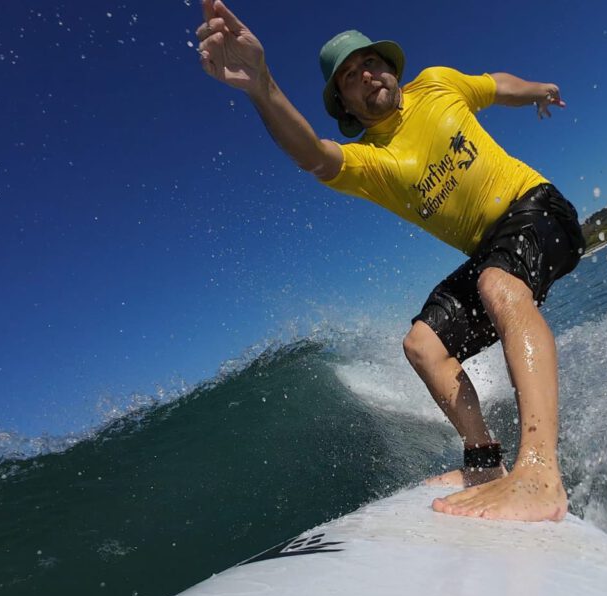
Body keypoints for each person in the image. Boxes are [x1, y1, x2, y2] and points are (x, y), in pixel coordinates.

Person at [196, 1, 585, 522]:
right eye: (351, 77)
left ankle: (539, 470)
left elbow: (495, 84)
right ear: (346, 105)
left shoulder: (437, 85)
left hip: (538, 207)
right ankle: (484, 463)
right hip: (491, 252)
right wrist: (261, 83)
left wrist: (541, 90)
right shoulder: (371, 163)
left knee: (498, 284)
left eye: (370, 62)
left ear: (390, 66)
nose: (366, 75)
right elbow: (313, 154)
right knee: (423, 345)